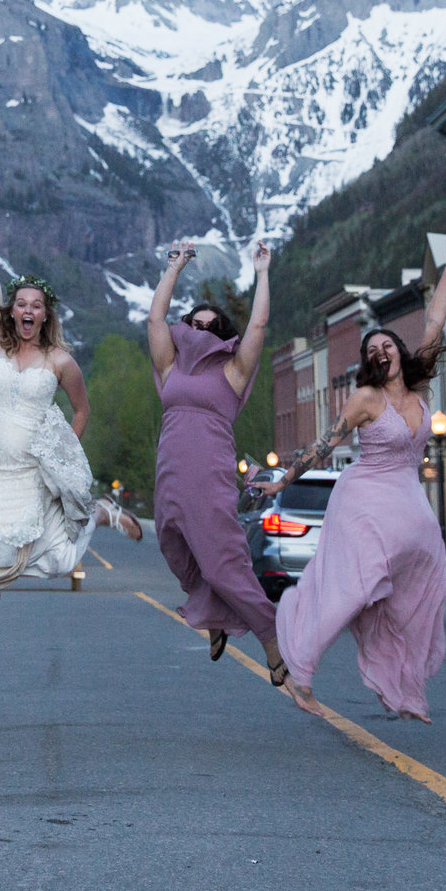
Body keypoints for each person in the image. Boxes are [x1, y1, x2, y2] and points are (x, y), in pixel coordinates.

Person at [262, 234, 446, 720]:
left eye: (385, 344)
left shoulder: (417, 391)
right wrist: (284, 479)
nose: (379, 351)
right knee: (353, 589)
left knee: (410, 594)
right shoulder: (364, 401)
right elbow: (323, 445)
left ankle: (400, 687)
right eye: (371, 349)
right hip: (363, 501)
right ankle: (300, 669)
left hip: (408, 503)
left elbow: (434, 321)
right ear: (368, 363)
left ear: (398, 351)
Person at [0, 208, 141, 685]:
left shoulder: (62, 362)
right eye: (21, 303)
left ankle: (100, 513)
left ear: (45, 314)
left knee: (61, 561)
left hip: (32, 471)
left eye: (36, 305)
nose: (26, 310)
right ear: (13, 311)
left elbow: (82, 411)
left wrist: (62, 457)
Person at [148, 238, 286, 685]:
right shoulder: (170, 366)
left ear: (222, 334)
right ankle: (214, 616)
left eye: (211, 326)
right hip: (169, 474)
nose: (201, 330)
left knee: (223, 562)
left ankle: (271, 640)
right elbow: (155, 318)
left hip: (210, 479)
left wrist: (262, 274)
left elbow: (260, 326)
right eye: (194, 323)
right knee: (174, 547)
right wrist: (176, 266)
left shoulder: (232, 372)